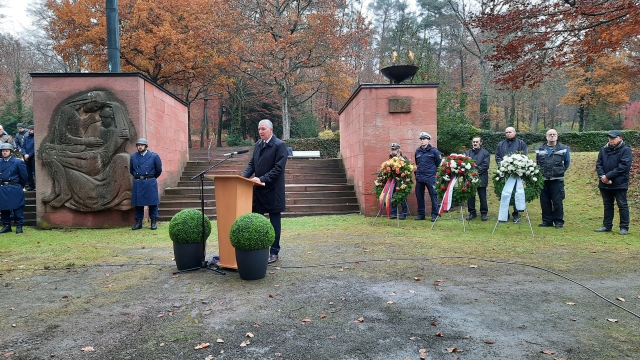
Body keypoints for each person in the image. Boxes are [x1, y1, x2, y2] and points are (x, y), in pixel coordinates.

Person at [242, 119, 288, 264]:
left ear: (271, 130)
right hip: (259, 191)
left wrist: (262, 178)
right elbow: (252, 164)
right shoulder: (257, 145)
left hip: (273, 191)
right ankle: (259, 249)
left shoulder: (280, 145)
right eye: (259, 129)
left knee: (274, 222)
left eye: (263, 129)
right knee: (258, 222)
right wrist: (242, 178)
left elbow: (278, 168)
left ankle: (274, 252)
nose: (261, 132)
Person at [595, 130, 632, 235]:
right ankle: (607, 226)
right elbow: (599, 164)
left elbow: (624, 167)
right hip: (604, 183)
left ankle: (624, 227)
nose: (611, 140)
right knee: (607, 205)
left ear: (620, 138)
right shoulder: (603, 149)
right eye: (610, 138)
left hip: (619, 183)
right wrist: (603, 176)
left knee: (622, 205)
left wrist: (608, 176)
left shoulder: (626, 150)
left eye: (613, 138)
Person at [535, 129, 570, 229]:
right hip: (543, 180)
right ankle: (547, 221)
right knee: (544, 202)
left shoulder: (564, 148)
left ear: (557, 136)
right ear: (546, 136)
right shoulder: (540, 149)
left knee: (557, 201)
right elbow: (537, 163)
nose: (552, 136)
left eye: (554, 134)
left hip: (557, 180)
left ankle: (559, 222)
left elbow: (567, 163)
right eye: (550, 134)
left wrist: (559, 171)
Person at [495, 126, 528, 223]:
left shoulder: (521, 143)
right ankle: (505, 213)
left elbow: (523, 156)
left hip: (516, 174)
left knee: (515, 193)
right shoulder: (501, 144)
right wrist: (502, 165)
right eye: (506, 132)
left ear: (515, 133)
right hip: (504, 173)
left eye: (510, 132)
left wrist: (516, 167)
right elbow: (497, 156)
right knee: (505, 193)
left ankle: (516, 213)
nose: (508, 134)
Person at [129, 138, 162, 230]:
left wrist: (151, 178)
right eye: (138, 145)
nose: (140, 147)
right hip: (138, 182)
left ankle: (153, 222)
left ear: (146, 146)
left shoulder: (154, 156)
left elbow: (158, 170)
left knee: (152, 203)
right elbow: (132, 170)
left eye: (142, 145)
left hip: (150, 182)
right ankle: (138, 222)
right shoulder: (133, 157)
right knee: (138, 204)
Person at [0, 143, 28, 234]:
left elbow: (24, 177)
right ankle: (6, 225)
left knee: (17, 208)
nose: (4, 152)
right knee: (3, 208)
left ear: (11, 152)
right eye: (3, 151)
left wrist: (20, 186)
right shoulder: (0, 162)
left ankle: (19, 226)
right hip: (3, 187)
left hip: (15, 187)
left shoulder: (18, 162)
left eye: (6, 151)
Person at [414, 131, 441, 222]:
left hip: (430, 177)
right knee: (419, 196)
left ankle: (434, 214)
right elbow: (417, 164)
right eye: (421, 139)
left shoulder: (434, 151)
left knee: (433, 195)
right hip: (420, 177)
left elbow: (439, 164)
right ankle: (421, 215)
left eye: (424, 139)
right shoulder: (417, 151)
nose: (422, 141)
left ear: (428, 140)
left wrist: (434, 174)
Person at [465, 136, 490, 221]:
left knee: (482, 196)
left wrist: (475, 171)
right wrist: (471, 173)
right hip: (470, 178)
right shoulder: (467, 153)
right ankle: (472, 213)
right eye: (473, 142)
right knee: (471, 196)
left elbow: (485, 166)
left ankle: (484, 213)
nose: (475, 143)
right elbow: (465, 164)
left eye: (477, 142)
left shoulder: (485, 153)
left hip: (481, 177)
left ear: (480, 143)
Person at [389, 142, 409, 220]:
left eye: (395, 149)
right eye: (392, 149)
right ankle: (393, 213)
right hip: (393, 180)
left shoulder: (404, 158)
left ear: (398, 149)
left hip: (401, 180)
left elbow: (407, 168)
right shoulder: (390, 159)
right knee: (393, 195)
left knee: (402, 196)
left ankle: (404, 213)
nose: (393, 151)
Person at [22, 125, 36, 191]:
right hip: (26, 158)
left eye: (31, 130)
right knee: (28, 172)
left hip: (33, 158)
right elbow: (23, 147)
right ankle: (31, 185)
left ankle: (37, 185)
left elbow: (35, 148)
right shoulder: (26, 138)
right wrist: (24, 154)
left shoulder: (36, 138)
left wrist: (29, 155)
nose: (29, 131)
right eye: (29, 130)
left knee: (35, 172)